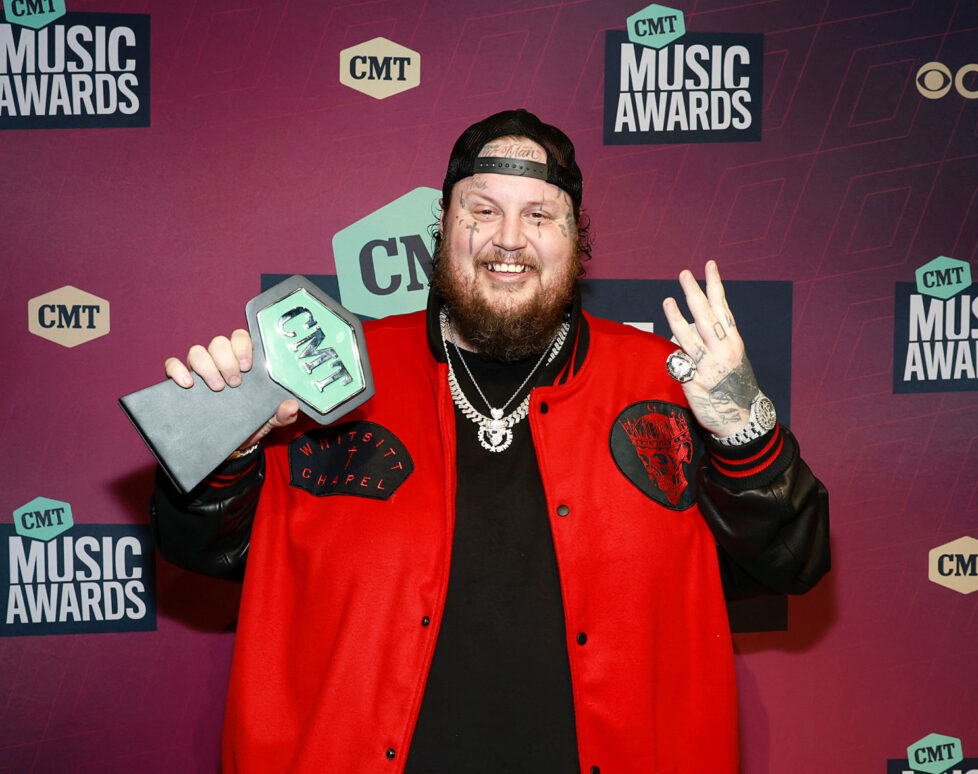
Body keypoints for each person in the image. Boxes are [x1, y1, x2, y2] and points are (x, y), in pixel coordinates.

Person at [152, 109, 829, 774]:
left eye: (540, 216)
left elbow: (793, 563)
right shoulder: (333, 369)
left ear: (577, 241)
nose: (509, 239)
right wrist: (226, 440)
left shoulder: (669, 381)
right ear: (443, 228)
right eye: (482, 210)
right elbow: (203, 545)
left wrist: (744, 428)